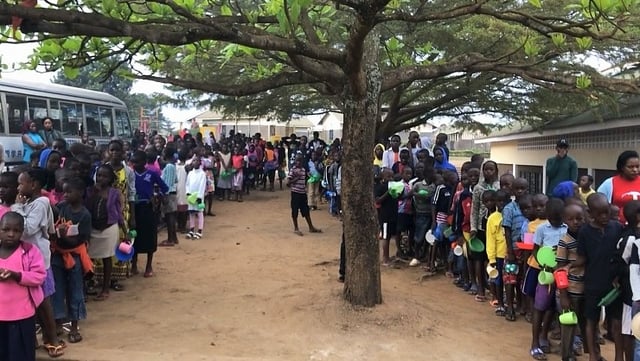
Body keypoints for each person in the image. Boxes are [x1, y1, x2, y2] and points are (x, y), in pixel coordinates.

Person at [12, 168, 63, 355]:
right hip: (30, 260)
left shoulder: (40, 202)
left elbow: (27, 229)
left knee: (43, 302)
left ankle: (53, 340)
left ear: (33, 184)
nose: (18, 187)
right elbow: (49, 227)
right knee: (35, 302)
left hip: (39, 262)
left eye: (21, 183)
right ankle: (41, 339)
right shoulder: (32, 202)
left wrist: (17, 208)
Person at [574, 193, 624, 361]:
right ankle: (593, 355)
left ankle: (618, 356)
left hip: (614, 284)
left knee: (616, 322)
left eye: (606, 212)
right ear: (590, 213)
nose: (604, 217)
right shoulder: (585, 232)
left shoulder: (617, 228)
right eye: (599, 213)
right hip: (593, 283)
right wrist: (567, 265)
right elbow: (581, 258)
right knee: (591, 320)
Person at [0, 211, 46, 361]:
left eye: (16, 230)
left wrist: (17, 275)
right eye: (6, 229)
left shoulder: (30, 252)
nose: (11, 234)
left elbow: (39, 276)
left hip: (22, 316)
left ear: (22, 232)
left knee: (20, 354)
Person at [51, 178, 92, 344]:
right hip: (57, 255)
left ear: (81, 193)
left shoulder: (84, 215)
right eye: (64, 192)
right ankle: (58, 322)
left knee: (75, 291)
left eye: (69, 192)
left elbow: (79, 240)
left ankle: (74, 326)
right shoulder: (61, 208)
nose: (65, 195)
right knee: (57, 290)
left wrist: (61, 235)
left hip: (74, 256)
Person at [529, 198, 567, 361]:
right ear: (548, 216)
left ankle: (544, 336)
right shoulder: (541, 229)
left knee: (553, 307)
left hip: (563, 275)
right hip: (546, 274)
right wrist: (545, 262)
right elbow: (535, 250)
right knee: (540, 306)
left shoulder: (567, 228)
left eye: (560, 218)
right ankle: (535, 342)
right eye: (554, 218)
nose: (557, 221)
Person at [86, 164, 125, 300]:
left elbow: (119, 212)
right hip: (93, 229)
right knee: (88, 257)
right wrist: (93, 193)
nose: (101, 178)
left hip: (109, 229)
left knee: (107, 258)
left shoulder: (115, 193)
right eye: (99, 175)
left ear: (110, 179)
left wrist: (124, 230)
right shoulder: (90, 191)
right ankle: (89, 284)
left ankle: (105, 288)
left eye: (105, 176)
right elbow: (87, 207)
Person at [556, 203, 587, 361]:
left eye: (579, 218)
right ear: (564, 220)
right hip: (571, 290)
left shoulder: (586, 237)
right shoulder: (564, 241)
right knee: (568, 325)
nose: (576, 222)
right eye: (571, 219)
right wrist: (563, 295)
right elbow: (560, 270)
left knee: (585, 323)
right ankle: (566, 355)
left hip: (585, 289)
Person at [131, 150, 168, 277]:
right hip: (134, 208)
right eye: (133, 161)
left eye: (137, 161)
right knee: (134, 236)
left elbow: (164, 187)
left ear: (145, 162)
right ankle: (134, 265)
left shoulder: (152, 174)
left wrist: (158, 196)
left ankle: (148, 265)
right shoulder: (131, 174)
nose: (134, 164)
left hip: (148, 208)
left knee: (150, 236)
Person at [502, 177, 530, 321]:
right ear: (512, 190)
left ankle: (522, 306)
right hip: (513, 249)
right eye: (517, 188)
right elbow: (506, 231)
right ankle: (510, 308)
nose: (520, 191)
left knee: (523, 279)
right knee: (510, 278)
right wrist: (510, 251)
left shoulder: (531, 207)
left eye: (523, 188)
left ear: (527, 189)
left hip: (527, 252)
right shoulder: (509, 208)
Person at [597, 150, 640, 223]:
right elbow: (597, 204)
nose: (635, 170)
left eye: (637, 166)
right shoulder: (609, 183)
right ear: (622, 167)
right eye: (630, 167)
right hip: (617, 227)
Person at [486, 190, 510, 316]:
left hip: (510, 255)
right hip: (499, 256)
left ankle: (509, 303)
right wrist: (492, 259)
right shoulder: (492, 218)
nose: (501, 204)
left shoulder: (510, 214)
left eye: (504, 201)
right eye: (499, 201)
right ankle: (500, 303)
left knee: (510, 280)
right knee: (499, 280)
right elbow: (490, 239)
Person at [287, 154, 321, 236]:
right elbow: (288, 183)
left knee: (306, 211)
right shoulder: (293, 170)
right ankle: (296, 228)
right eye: (297, 160)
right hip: (295, 193)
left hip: (302, 193)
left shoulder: (303, 170)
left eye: (300, 160)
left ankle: (311, 227)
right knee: (295, 211)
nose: (298, 162)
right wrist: (296, 178)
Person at [160, 147, 179, 246]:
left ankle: (170, 239)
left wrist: (164, 195)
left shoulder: (169, 166)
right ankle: (174, 238)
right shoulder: (172, 166)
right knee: (171, 216)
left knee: (169, 217)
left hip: (168, 194)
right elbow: (176, 180)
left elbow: (168, 183)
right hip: (172, 193)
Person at [185, 156, 207, 240]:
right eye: (193, 161)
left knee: (199, 212)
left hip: (198, 196)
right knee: (191, 213)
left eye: (197, 161)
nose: (195, 162)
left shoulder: (202, 174)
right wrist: (188, 193)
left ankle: (200, 230)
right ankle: (191, 229)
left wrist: (199, 197)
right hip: (191, 196)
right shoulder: (190, 173)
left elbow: (202, 186)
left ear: (200, 162)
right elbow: (187, 184)